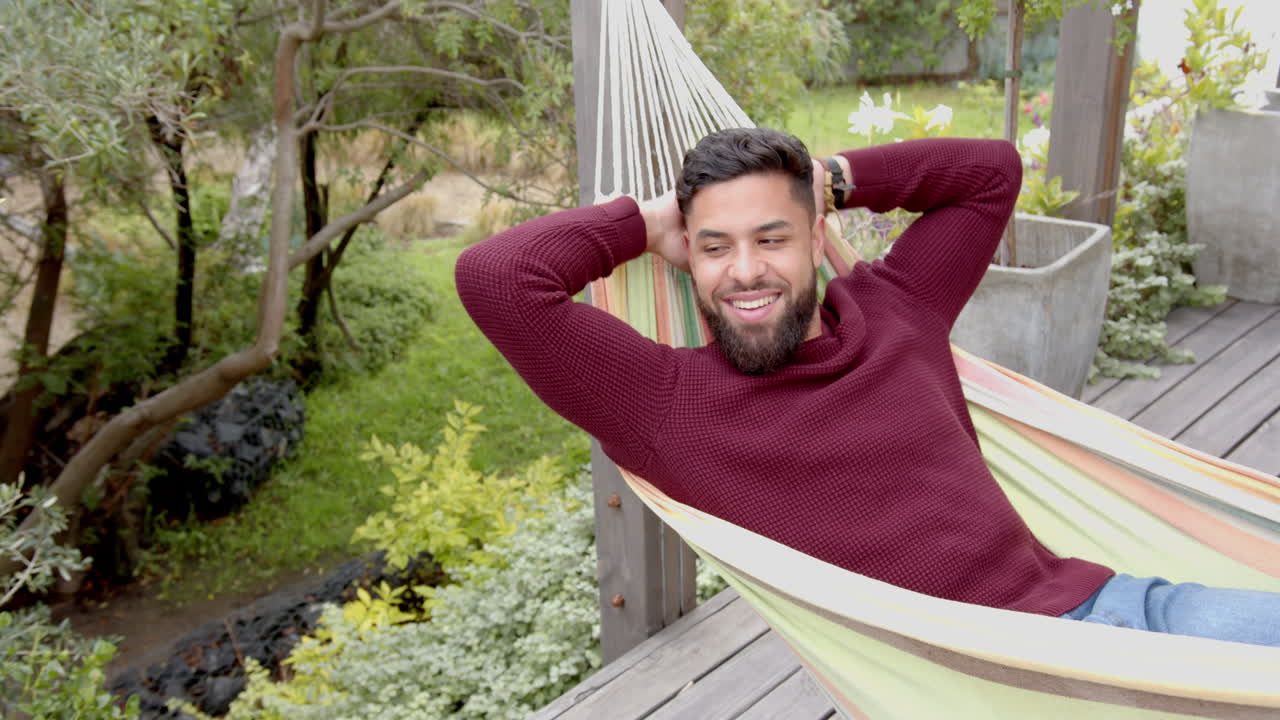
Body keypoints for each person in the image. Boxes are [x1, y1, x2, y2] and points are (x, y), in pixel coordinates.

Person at [455, 127, 1280, 646]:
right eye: (715, 247)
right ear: (687, 258)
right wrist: (642, 222)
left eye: (771, 238)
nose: (745, 271)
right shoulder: (663, 403)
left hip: (1113, 618)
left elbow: (989, 173)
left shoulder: (897, 310)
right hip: (966, 683)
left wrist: (836, 174)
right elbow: (496, 278)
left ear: (818, 236)